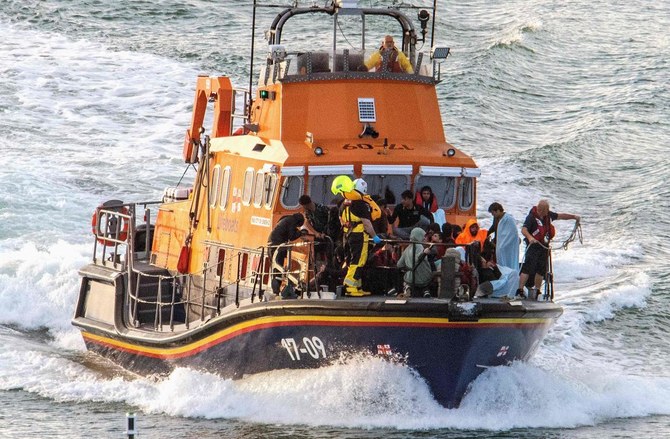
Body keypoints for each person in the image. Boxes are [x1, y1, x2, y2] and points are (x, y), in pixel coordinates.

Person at [517, 199, 580, 298]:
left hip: (544, 247)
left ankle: (537, 291)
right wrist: (530, 238)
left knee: (541, 269)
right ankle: (520, 290)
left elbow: (560, 216)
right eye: (546, 209)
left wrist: (574, 217)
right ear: (541, 209)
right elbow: (524, 230)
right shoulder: (531, 217)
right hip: (533, 247)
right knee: (527, 268)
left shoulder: (548, 215)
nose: (548, 211)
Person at [332, 176, 383, 296]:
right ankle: (350, 286)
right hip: (359, 236)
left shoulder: (343, 204)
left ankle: (357, 286)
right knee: (359, 261)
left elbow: (341, 220)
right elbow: (367, 223)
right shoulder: (361, 204)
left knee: (351, 260)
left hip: (347, 236)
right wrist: (375, 237)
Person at [267, 213, 305, 298]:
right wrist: (300, 233)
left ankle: (276, 290)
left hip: (272, 243)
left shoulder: (286, 219)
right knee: (277, 269)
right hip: (277, 245)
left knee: (275, 268)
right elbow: (291, 236)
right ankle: (276, 290)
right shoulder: (292, 221)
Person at [396, 227, 433, 297]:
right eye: (423, 236)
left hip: (410, 278)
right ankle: (426, 291)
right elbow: (418, 258)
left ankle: (407, 287)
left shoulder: (406, 249)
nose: (424, 238)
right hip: (423, 277)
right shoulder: (419, 246)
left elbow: (399, 264)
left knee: (405, 277)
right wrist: (424, 253)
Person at [487, 202, 519, 270]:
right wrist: (487, 234)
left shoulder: (509, 219)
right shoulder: (497, 219)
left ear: (498, 210)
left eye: (493, 213)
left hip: (508, 247)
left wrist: (502, 245)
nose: (493, 215)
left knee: (509, 264)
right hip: (499, 246)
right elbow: (494, 228)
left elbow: (513, 234)